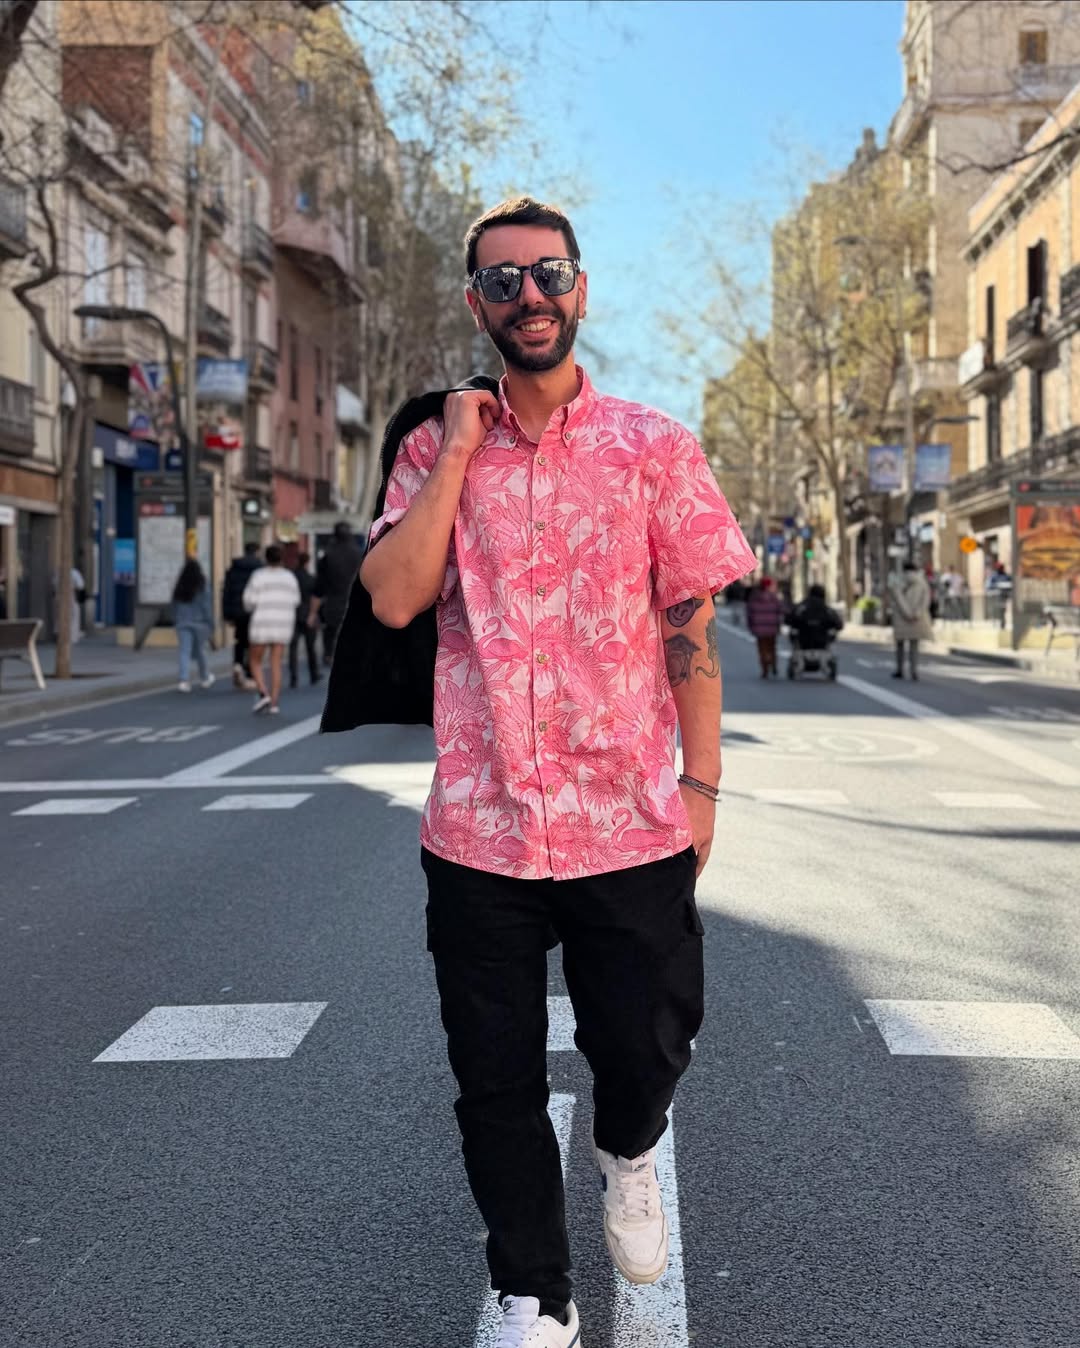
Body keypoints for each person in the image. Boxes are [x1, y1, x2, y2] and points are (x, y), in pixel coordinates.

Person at [359, 195, 756, 1348]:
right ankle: (535, 1292)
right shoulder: (431, 449)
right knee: (493, 1079)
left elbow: (689, 625)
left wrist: (701, 785)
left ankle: (630, 1146)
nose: (528, 296)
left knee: (646, 1041)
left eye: (548, 274)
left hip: (628, 820)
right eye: (503, 280)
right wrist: (459, 448)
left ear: (581, 289)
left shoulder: (654, 445)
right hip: (479, 827)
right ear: (475, 303)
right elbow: (395, 597)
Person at [242, 544, 301, 714]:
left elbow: (248, 601)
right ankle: (274, 703)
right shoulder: (289, 577)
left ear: (265, 559)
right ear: (281, 559)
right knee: (276, 663)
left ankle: (263, 692)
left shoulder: (258, 576)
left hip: (262, 622)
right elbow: (296, 600)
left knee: (255, 661)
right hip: (282, 623)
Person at [312, 521, 363, 664]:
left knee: (330, 633)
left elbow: (319, 586)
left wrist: (313, 611)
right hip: (356, 603)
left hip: (333, 603)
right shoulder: (359, 554)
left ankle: (329, 655)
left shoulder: (328, 555)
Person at [171, 558, 215, 693]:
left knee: (184, 651)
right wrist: (211, 623)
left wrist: (176, 620)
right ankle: (205, 677)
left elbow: (174, 605)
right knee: (200, 651)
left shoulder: (180, 586)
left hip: (182, 623)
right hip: (200, 624)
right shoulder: (203, 585)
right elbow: (206, 607)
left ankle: (183, 681)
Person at [222, 542, 262, 689]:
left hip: (237, 611)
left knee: (239, 640)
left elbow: (226, 593)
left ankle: (238, 664)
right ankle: (250, 673)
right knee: (253, 642)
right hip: (254, 612)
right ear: (257, 551)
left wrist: (227, 614)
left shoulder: (233, 568)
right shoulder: (260, 569)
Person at [888, 560, 933, 680]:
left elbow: (898, 599)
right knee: (914, 646)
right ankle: (914, 671)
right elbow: (926, 600)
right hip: (918, 619)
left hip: (901, 618)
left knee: (900, 645)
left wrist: (907, 613)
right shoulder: (923, 583)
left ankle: (900, 670)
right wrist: (917, 613)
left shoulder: (898, 582)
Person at [788, 583, 843, 676]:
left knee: (793, 633)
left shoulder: (801, 607)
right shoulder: (826, 609)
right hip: (822, 642)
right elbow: (838, 624)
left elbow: (789, 619)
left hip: (803, 641)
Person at [289, 551, 321, 689]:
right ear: (307, 562)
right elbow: (316, 597)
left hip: (293, 614)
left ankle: (293, 678)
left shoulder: (291, 578)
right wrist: (313, 614)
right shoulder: (311, 578)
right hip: (308, 613)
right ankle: (314, 674)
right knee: (310, 648)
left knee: (293, 648)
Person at [745, 575, 784, 678]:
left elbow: (749, 613)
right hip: (772, 627)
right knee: (772, 647)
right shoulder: (774, 597)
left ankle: (765, 668)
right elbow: (780, 611)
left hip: (759, 628)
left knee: (762, 649)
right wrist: (779, 624)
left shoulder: (754, 597)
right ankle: (773, 663)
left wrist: (751, 625)